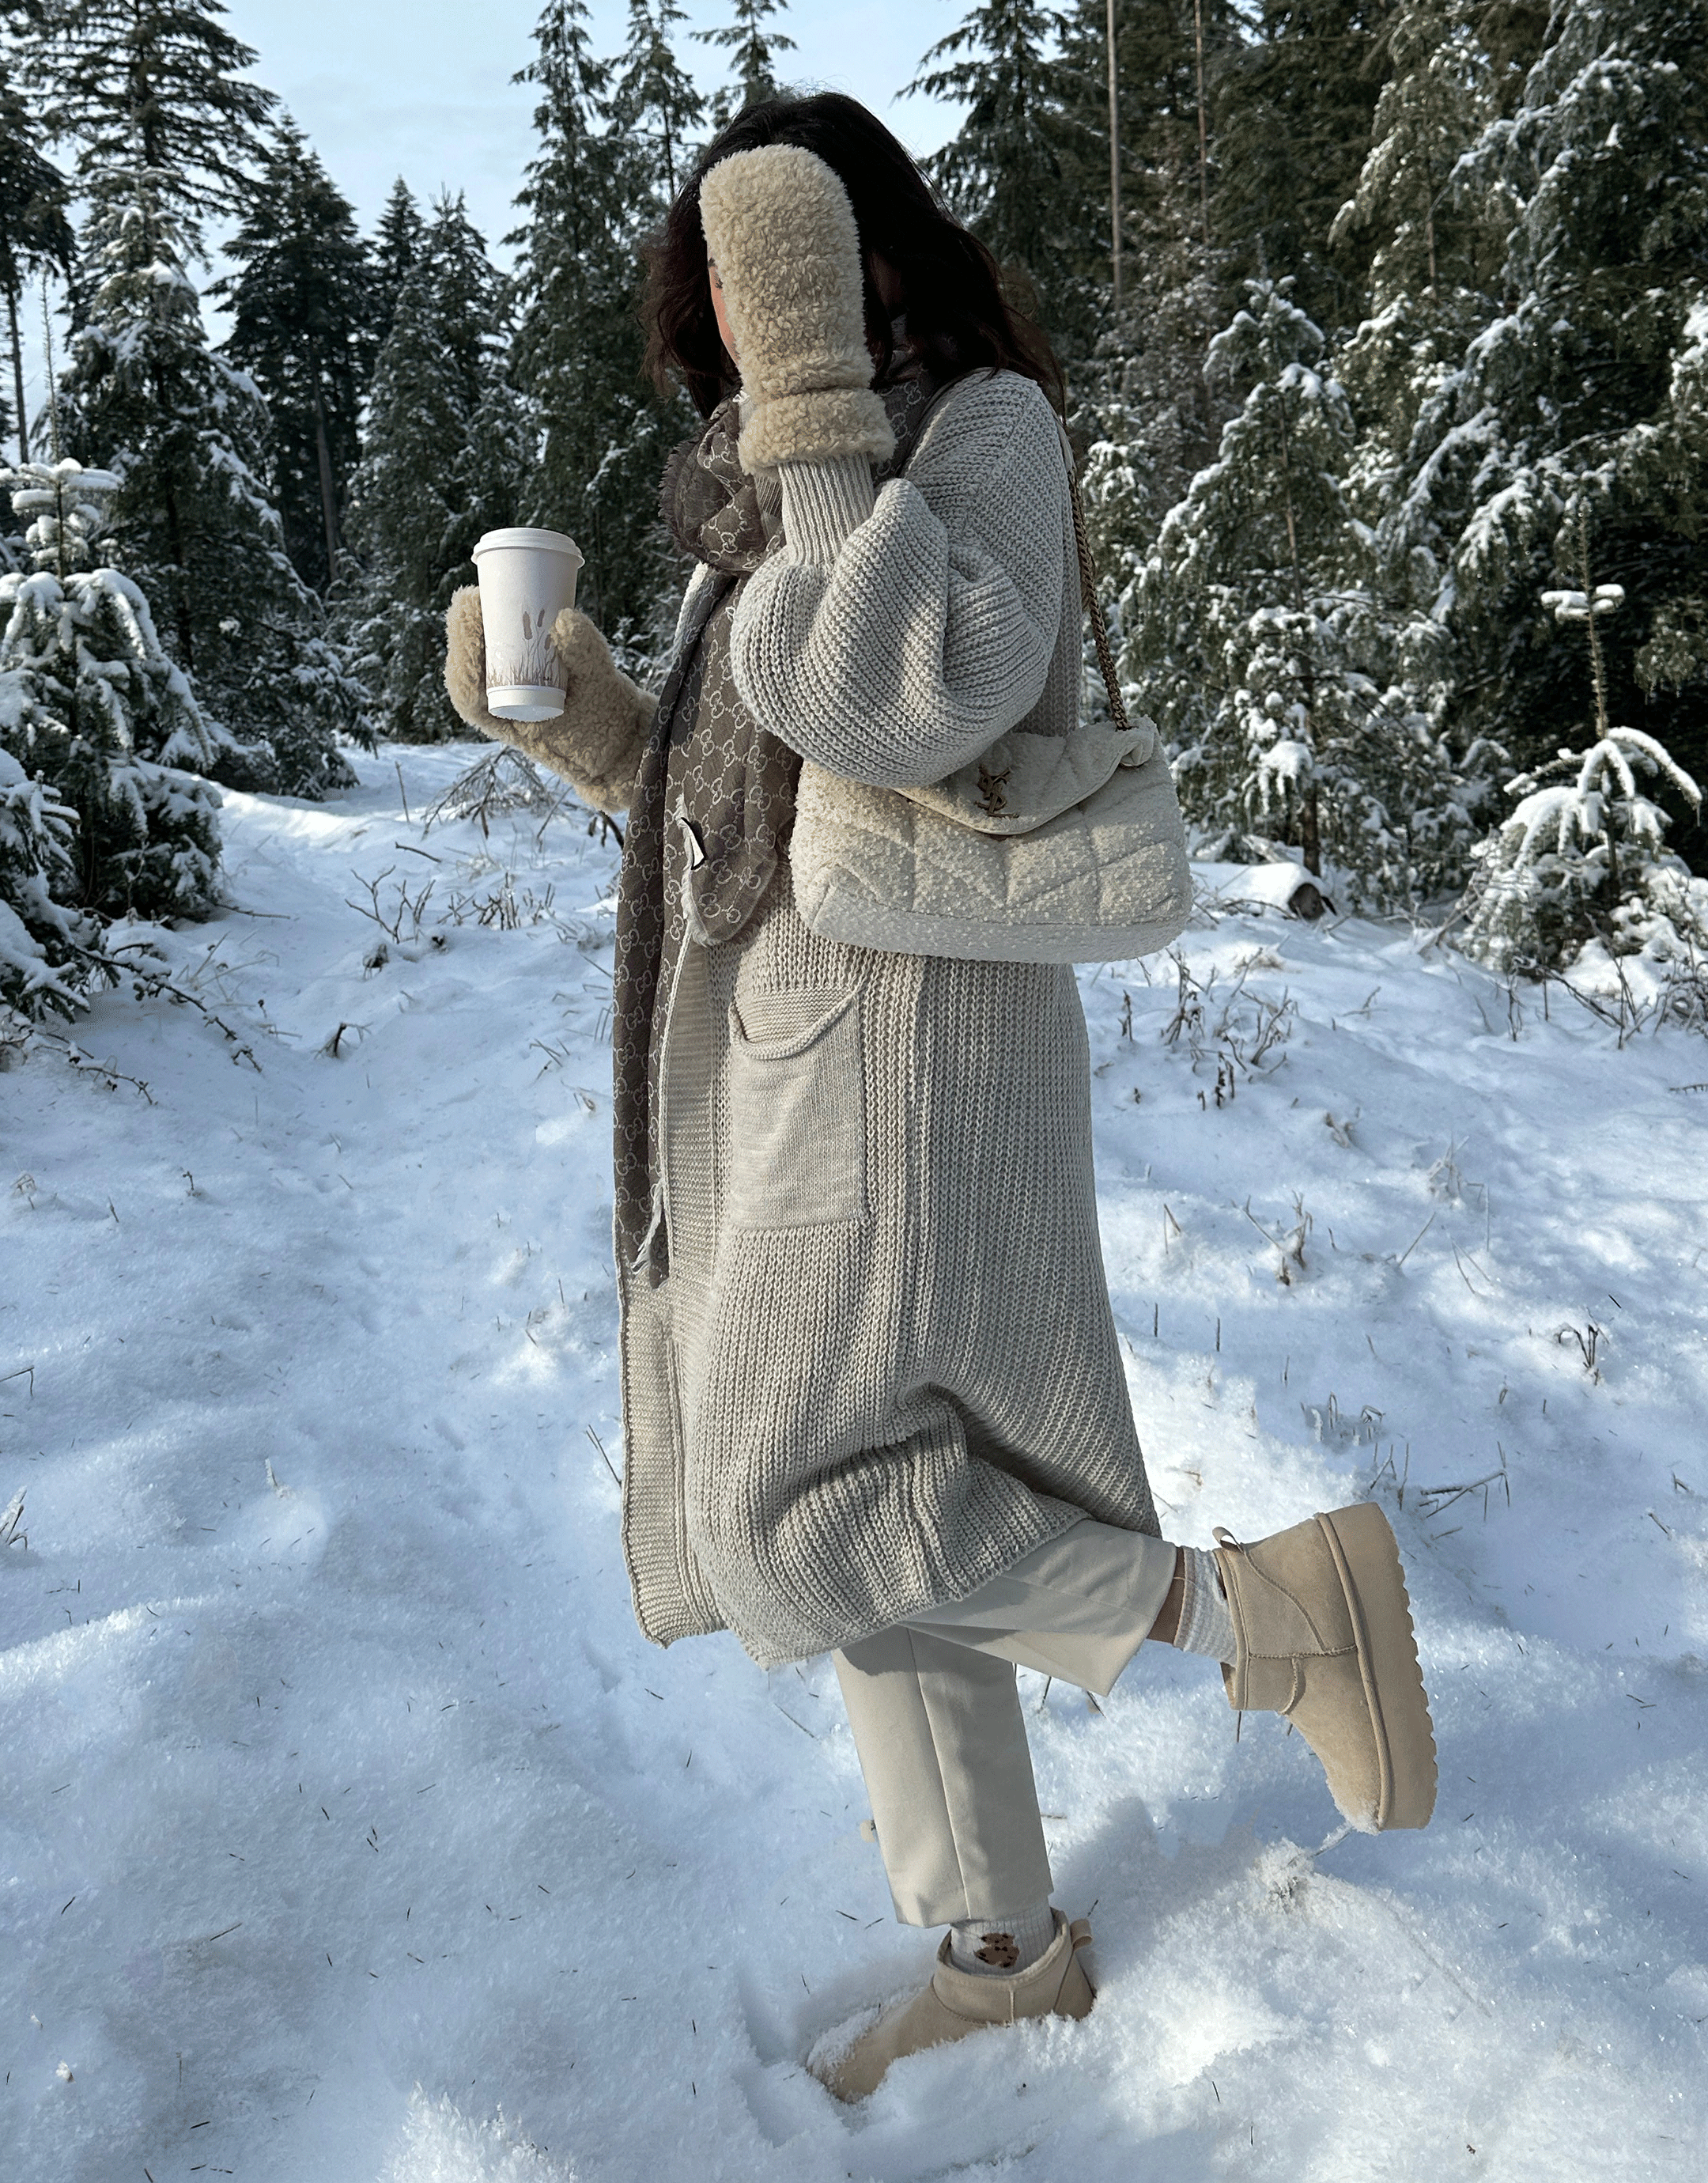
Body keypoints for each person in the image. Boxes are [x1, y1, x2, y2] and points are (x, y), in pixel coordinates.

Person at [444, 91, 1437, 2105]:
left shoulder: (972, 429)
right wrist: (591, 733)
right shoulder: (778, 496)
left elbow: (895, 698)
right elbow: (755, 811)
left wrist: (814, 397)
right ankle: (995, 1950)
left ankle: (1259, 1615)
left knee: (796, 1511)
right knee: (878, 1498)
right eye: (725, 283)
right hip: (787, 1042)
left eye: (778, 265)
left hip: (903, 1047)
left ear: (855, 253)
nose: (745, 316)